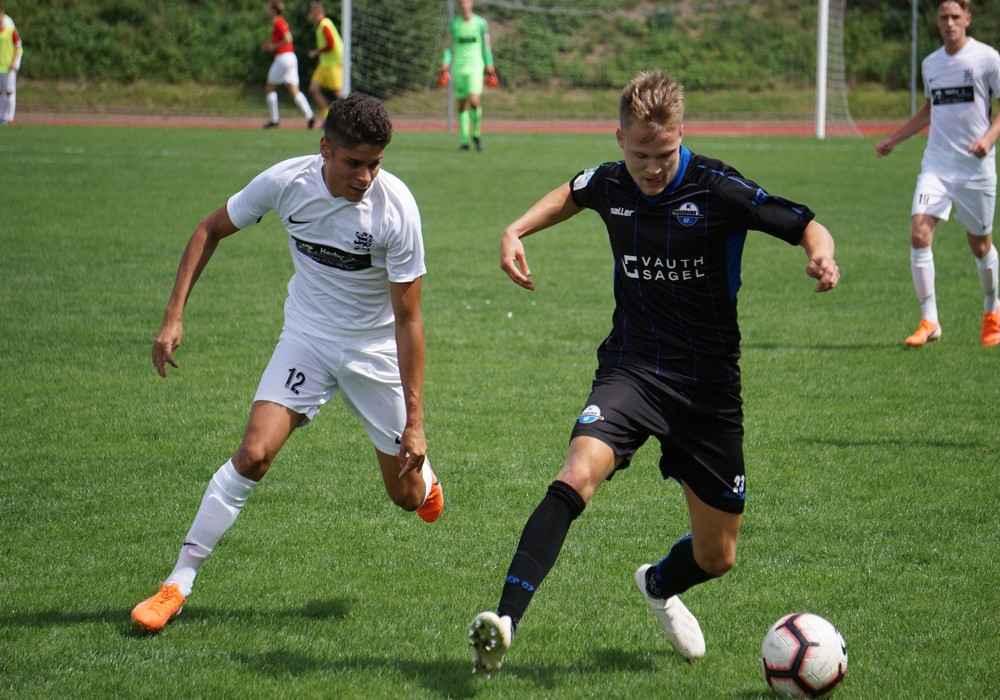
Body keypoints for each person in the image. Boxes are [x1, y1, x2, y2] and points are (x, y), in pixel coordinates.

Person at [467, 69, 840, 677]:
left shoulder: (718, 188)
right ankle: (504, 622)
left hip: (708, 390)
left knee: (717, 556)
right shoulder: (612, 181)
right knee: (577, 471)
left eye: (664, 154)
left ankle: (658, 584)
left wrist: (821, 255)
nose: (651, 167)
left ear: (681, 135)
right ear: (620, 139)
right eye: (640, 154)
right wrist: (516, 229)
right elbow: (573, 192)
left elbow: (803, 223)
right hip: (632, 369)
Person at [130, 93, 443, 633]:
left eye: (375, 163)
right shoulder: (286, 183)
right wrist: (173, 315)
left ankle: (426, 478)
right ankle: (178, 582)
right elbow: (209, 229)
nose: (366, 177)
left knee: (407, 497)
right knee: (253, 454)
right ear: (325, 149)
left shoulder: (397, 209)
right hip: (308, 339)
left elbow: (409, 320)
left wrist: (415, 422)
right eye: (354, 163)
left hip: (372, 352)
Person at [875, 0, 1000, 347]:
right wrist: (894, 139)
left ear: (967, 19)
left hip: (975, 168)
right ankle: (929, 320)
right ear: (937, 20)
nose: (949, 23)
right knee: (919, 234)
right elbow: (930, 109)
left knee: (980, 245)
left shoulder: (987, 58)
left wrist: (988, 139)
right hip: (937, 165)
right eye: (944, 17)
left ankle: (992, 310)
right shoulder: (931, 63)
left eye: (955, 16)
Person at [438, 0, 498, 152]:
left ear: (471, 3)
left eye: (466, 2)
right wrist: (445, 65)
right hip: (459, 68)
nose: (463, 5)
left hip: (476, 67)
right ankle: (464, 141)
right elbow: (449, 48)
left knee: (474, 101)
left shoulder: (481, 23)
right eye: (461, 2)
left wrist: (490, 66)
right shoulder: (454, 25)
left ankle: (476, 134)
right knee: (461, 105)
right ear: (458, 5)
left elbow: (486, 47)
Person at [261, 0, 316, 130]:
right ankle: (310, 116)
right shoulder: (280, 21)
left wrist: (272, 46)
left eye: (269, 9)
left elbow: (288, 38)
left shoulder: (278, 22)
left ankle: (274, 119)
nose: (268, 11)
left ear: (274, 10)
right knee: (294, 90)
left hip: (283, 57)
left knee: (270, 88)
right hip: (291, 57)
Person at [306, 2, 343, 121]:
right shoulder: (320, 25)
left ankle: (348, 118)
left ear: (317, 11)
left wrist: (316, 52)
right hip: (325, 63)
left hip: (333, 62)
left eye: (312, 11)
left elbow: (331, 44)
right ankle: (327, 117)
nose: (310, 13)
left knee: (338, 93)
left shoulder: (325, 24)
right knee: (313, 89)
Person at [0, 5, 22, 125]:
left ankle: (9, 117)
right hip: (1, 64)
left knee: (9, 90)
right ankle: (2, 115)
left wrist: (15, 62)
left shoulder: (8, 24)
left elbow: (17, 45)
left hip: (10, 61)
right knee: (1, 91)